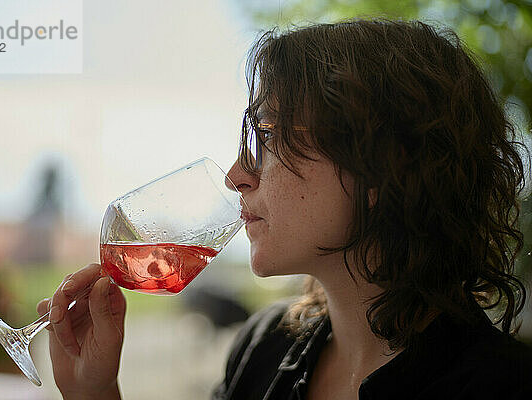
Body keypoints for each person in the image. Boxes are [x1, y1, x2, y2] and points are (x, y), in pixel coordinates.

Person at [37, 18, 532, 399]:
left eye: (269, 138)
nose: (237, 176)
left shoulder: (500, 386)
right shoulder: (264, 348)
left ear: (384, 166)